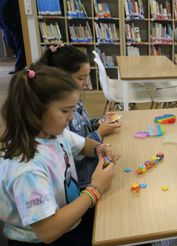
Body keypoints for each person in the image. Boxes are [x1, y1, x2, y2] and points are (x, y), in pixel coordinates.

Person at [0, 65, 157, 246]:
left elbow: (83, 146)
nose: (72, 117)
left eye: (73, 109)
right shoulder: (27, 168)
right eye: (65, 110)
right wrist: (95, 189)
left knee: (134, 236)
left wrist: (100, 148)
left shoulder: (53, 132)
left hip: (69, 218)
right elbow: (47, 231)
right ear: (35, 110)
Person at [37, 45, 121, 188]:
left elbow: (80, 136)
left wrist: (98, 123)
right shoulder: (54, 128)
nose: (87, 84)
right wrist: (100, 132)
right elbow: (73, 152)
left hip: (91, 176)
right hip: (84, 179)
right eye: (82, 78)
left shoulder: (69, 104)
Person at [0, 0, 26, 73]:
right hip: (5, 28)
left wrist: (17, 25)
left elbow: (18, 11)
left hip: (15, 27)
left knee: (19, 46)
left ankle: (18, 67)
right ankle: (21, 63)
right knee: (11, 44)